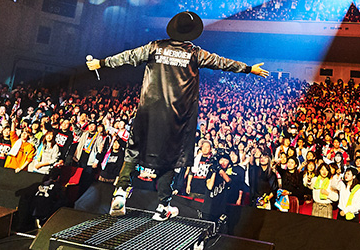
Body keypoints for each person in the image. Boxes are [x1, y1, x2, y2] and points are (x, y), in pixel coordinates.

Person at [86, 11, 268, 220]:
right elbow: (222, 62)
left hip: (148, 109)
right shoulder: (195, 53)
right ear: (192, 32)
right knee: (170, 159)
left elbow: (127, 56)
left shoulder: (154, 46)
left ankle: (120, 191)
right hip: (176, 116)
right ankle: (163, 207)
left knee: (134, 150)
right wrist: (248, 69)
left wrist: (101, 63)